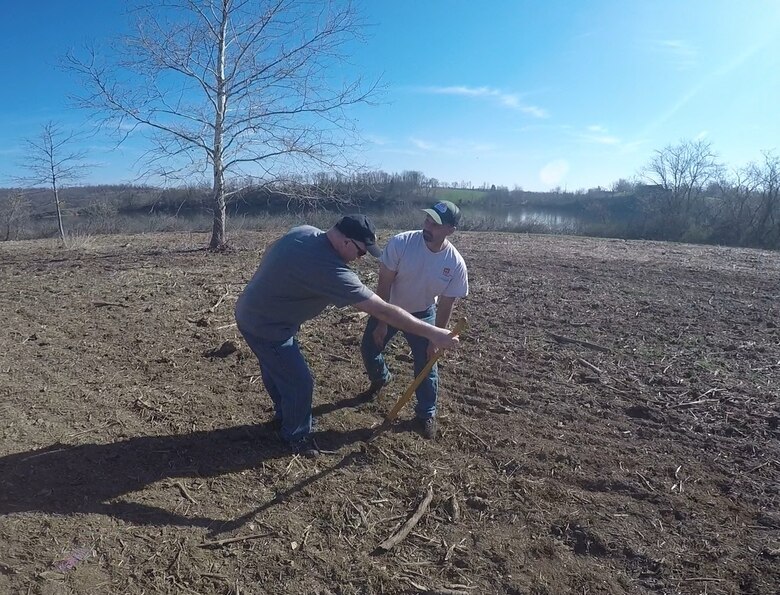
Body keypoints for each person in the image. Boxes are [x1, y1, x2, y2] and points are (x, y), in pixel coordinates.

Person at [234, 214, 460, 457]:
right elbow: (381, 309)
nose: (359, 260)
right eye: (361, 252)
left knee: (276, 368)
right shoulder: (330, 270)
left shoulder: (305, 231)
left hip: (254, 312)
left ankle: (285, 414)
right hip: (267, 327)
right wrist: (434, 332)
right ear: (345, 242)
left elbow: (271, 248)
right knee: (299, 382)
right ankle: (296, 436)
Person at [359, 201, 468, 440]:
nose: (427, 225)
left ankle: (426, 413)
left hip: (423, 313)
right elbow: (384, 284)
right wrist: (381, 321)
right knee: (369, 348)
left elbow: (447, 304)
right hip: (389, 308)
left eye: (435, 224)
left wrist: (437, 337)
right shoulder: (402, 243)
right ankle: (381, 379)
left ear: (450, 230)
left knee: (427, 363)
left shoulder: (455, 263)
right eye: (427, 219)